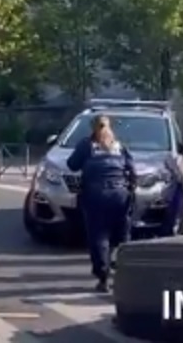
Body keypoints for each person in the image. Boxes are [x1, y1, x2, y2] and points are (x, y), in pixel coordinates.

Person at [66, 115, 137, 292]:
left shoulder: (86, 145)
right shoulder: (119, 146)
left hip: (95, 195)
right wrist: (130, 189)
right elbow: (133, 171)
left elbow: (72, 165)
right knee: (121, 236)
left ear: (92, 127)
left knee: (98, 235)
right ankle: (122, 272)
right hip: (120, 195)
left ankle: (103, 276)